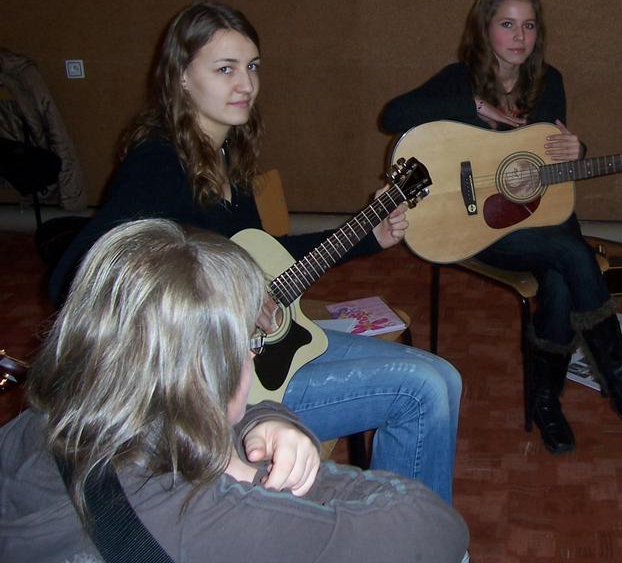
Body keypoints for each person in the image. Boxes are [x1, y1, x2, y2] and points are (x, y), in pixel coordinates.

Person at [48, 0, 461, 503]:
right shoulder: (159, 163)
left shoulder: (227, 158)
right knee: (422, 390)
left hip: (266, 356)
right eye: (225, 69)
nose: (245, 84)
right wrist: (223, 300)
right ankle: (407, 534)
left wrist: (367, 236)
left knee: (445, 375)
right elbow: (77, 273)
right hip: (209, 388)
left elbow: (266, 256)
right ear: (181, 77)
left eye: (252, 67)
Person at [0, 219, 469, 562]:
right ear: (205, 374)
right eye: (249, 344)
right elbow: (436, 531)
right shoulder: (206, 515)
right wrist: (272, 473)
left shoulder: (40, 426)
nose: (253, 356)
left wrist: (262, 419)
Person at [380, 0, 622, 455]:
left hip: (540, 215)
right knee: (572, 255)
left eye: (529, 26)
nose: (519, 37)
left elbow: (547, 159)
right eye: (507, 24)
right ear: (485, 29)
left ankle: (546, 401)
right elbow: (393, 116)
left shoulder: (549, 81)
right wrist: (474, 106)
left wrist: (576, 150)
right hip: (481, 227)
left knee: (560, 275)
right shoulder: (459, 79)